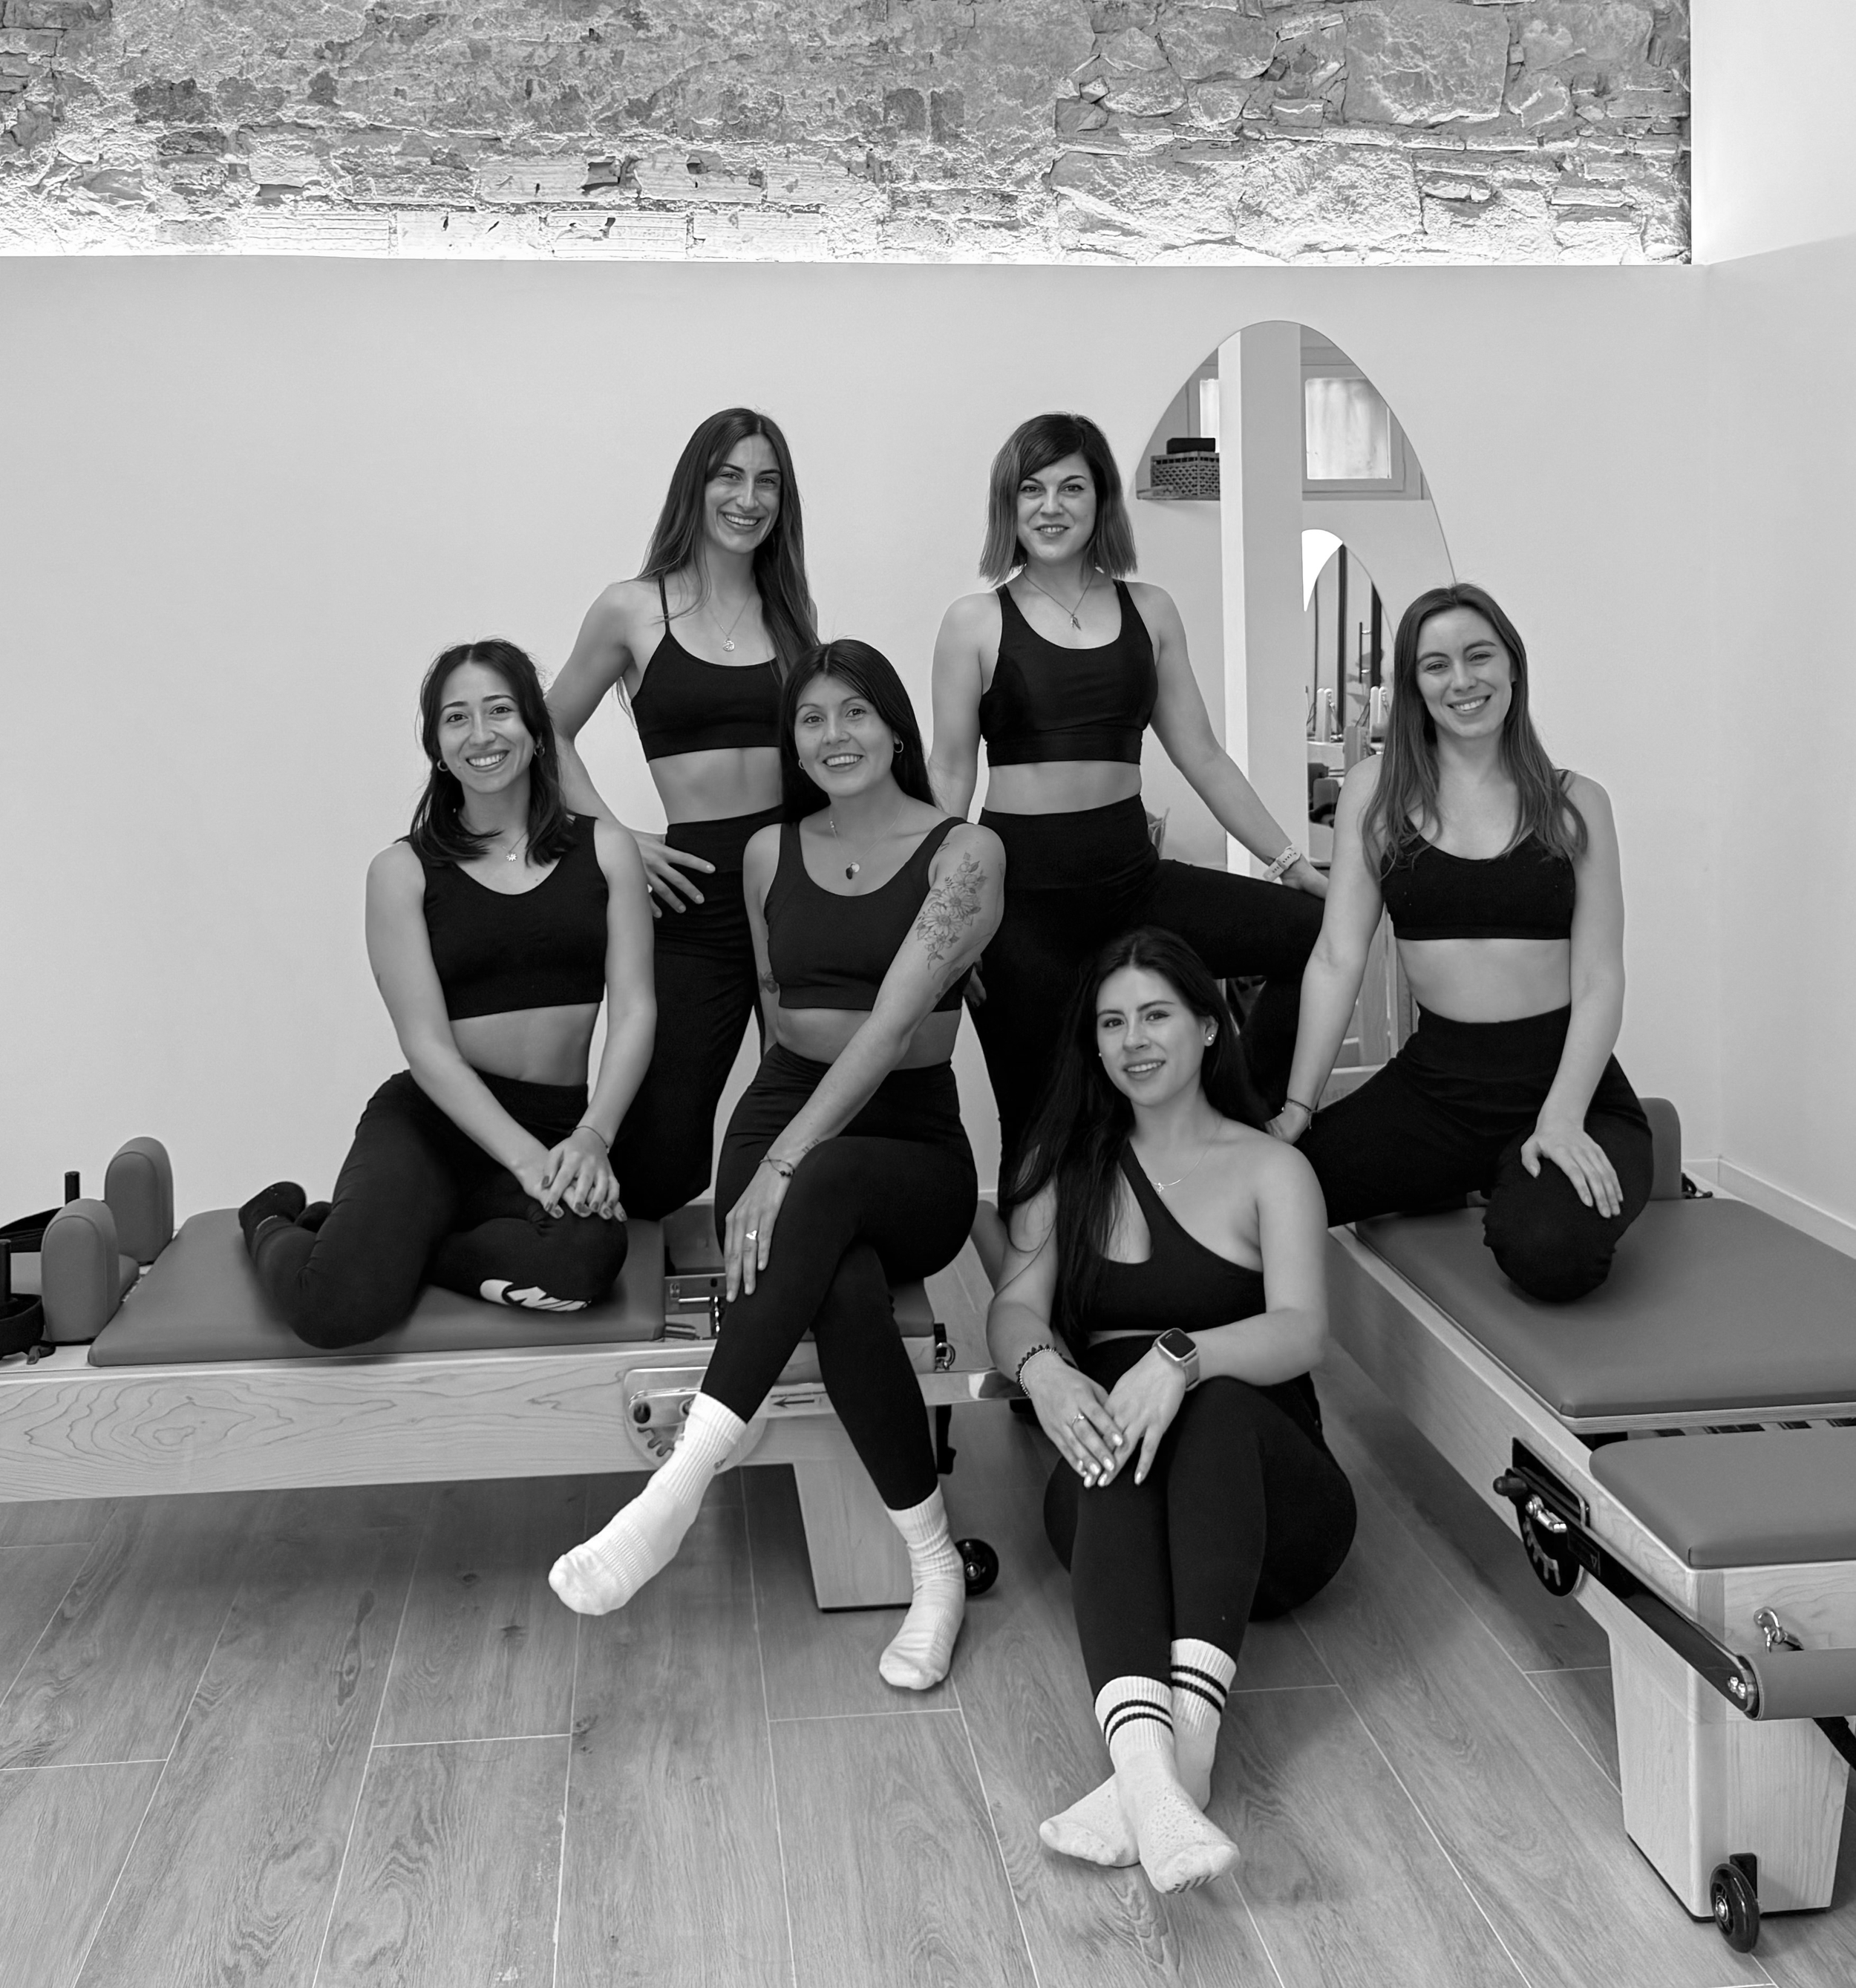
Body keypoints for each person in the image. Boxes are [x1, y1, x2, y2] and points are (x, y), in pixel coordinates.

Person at [549, 640, 1004, 1693]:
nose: (834, 735)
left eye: (855, 713)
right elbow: (772, 1008)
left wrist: (788, 1161)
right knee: (838, 1281)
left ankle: (679, 1484)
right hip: (782, 1110)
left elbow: (891, 1031)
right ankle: (934, 1570)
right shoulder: (767, 855)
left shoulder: (966, 854)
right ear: (791, 741)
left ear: (895, 727)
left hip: (908, 1143)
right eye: (811, 718)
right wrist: (772, 1151)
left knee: (829, 1189)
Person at [986, 927, 1355, 1894]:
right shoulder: (1071, 1163)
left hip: (1274, 1514)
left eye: (1155, 1015)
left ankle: (1162, 1764)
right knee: (1110, 1430)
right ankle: (1161, 1773)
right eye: (1111, 1022)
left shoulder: (1273, 1168)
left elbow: (1304, 1330)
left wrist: (1183, 1358)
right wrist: (1050, 1375)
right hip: (1121, 1514)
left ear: (1207, 1025)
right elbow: (1015, 1306)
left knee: (1220, 1404)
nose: (1133, 1040)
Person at [928, 410, 1327, 1188]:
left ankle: (1255, 1122)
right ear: (1008, 506)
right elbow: (949, 778)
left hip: (1132, 883)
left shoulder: (1150, 610)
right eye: (1032, 489)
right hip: (1019, 911)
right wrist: (941, 922)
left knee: (1312, 932)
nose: (1051, 506)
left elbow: (1203, 755)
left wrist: (1288, 861)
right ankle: (1035, 1304)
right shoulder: (973, 622)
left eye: (1071, 487)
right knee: (1038, 1142)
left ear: (1101, 500)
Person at [237, 638, 655, 1347]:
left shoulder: (607, 849)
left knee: (583, 1267)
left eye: (500, 711)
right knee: (335, 1308)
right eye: (457, 719)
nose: (481, 735)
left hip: (558, 1126)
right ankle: (273, 1222)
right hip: (431, 1125)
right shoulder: (401, 872)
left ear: (532, 727)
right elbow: (426, 1046)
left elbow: (637, 1009)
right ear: (436, 744)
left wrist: (591, 1137)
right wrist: (526, 1163)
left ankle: (416, 1249)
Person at [1277, 582, 1653, 1301]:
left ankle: (1528, 1172)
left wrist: (1562, 1117)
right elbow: (1337, 957)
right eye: (1436, 664)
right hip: (1435, 1087)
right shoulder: (1374, 793)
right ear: (1414, 685)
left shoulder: (1578, 802)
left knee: (1549, 1254)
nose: (1463, 680)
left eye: (1479, 656)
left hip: (1567, 1086)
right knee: (1271, 1197)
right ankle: (1464, 1173)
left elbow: (1601, 978)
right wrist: (1298, 1107)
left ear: (1511, 665)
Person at [547, 408, 816, 1222]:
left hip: (795, 882)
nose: (748, 497)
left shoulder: (790, 616)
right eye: (729, 476)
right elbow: (543, 728)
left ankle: (791, 1262)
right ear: (695, 486)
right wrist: (615, 837)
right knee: (658, 1152)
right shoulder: (632, 608)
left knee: (804, 1107)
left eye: (767, 481)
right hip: (691, 894)